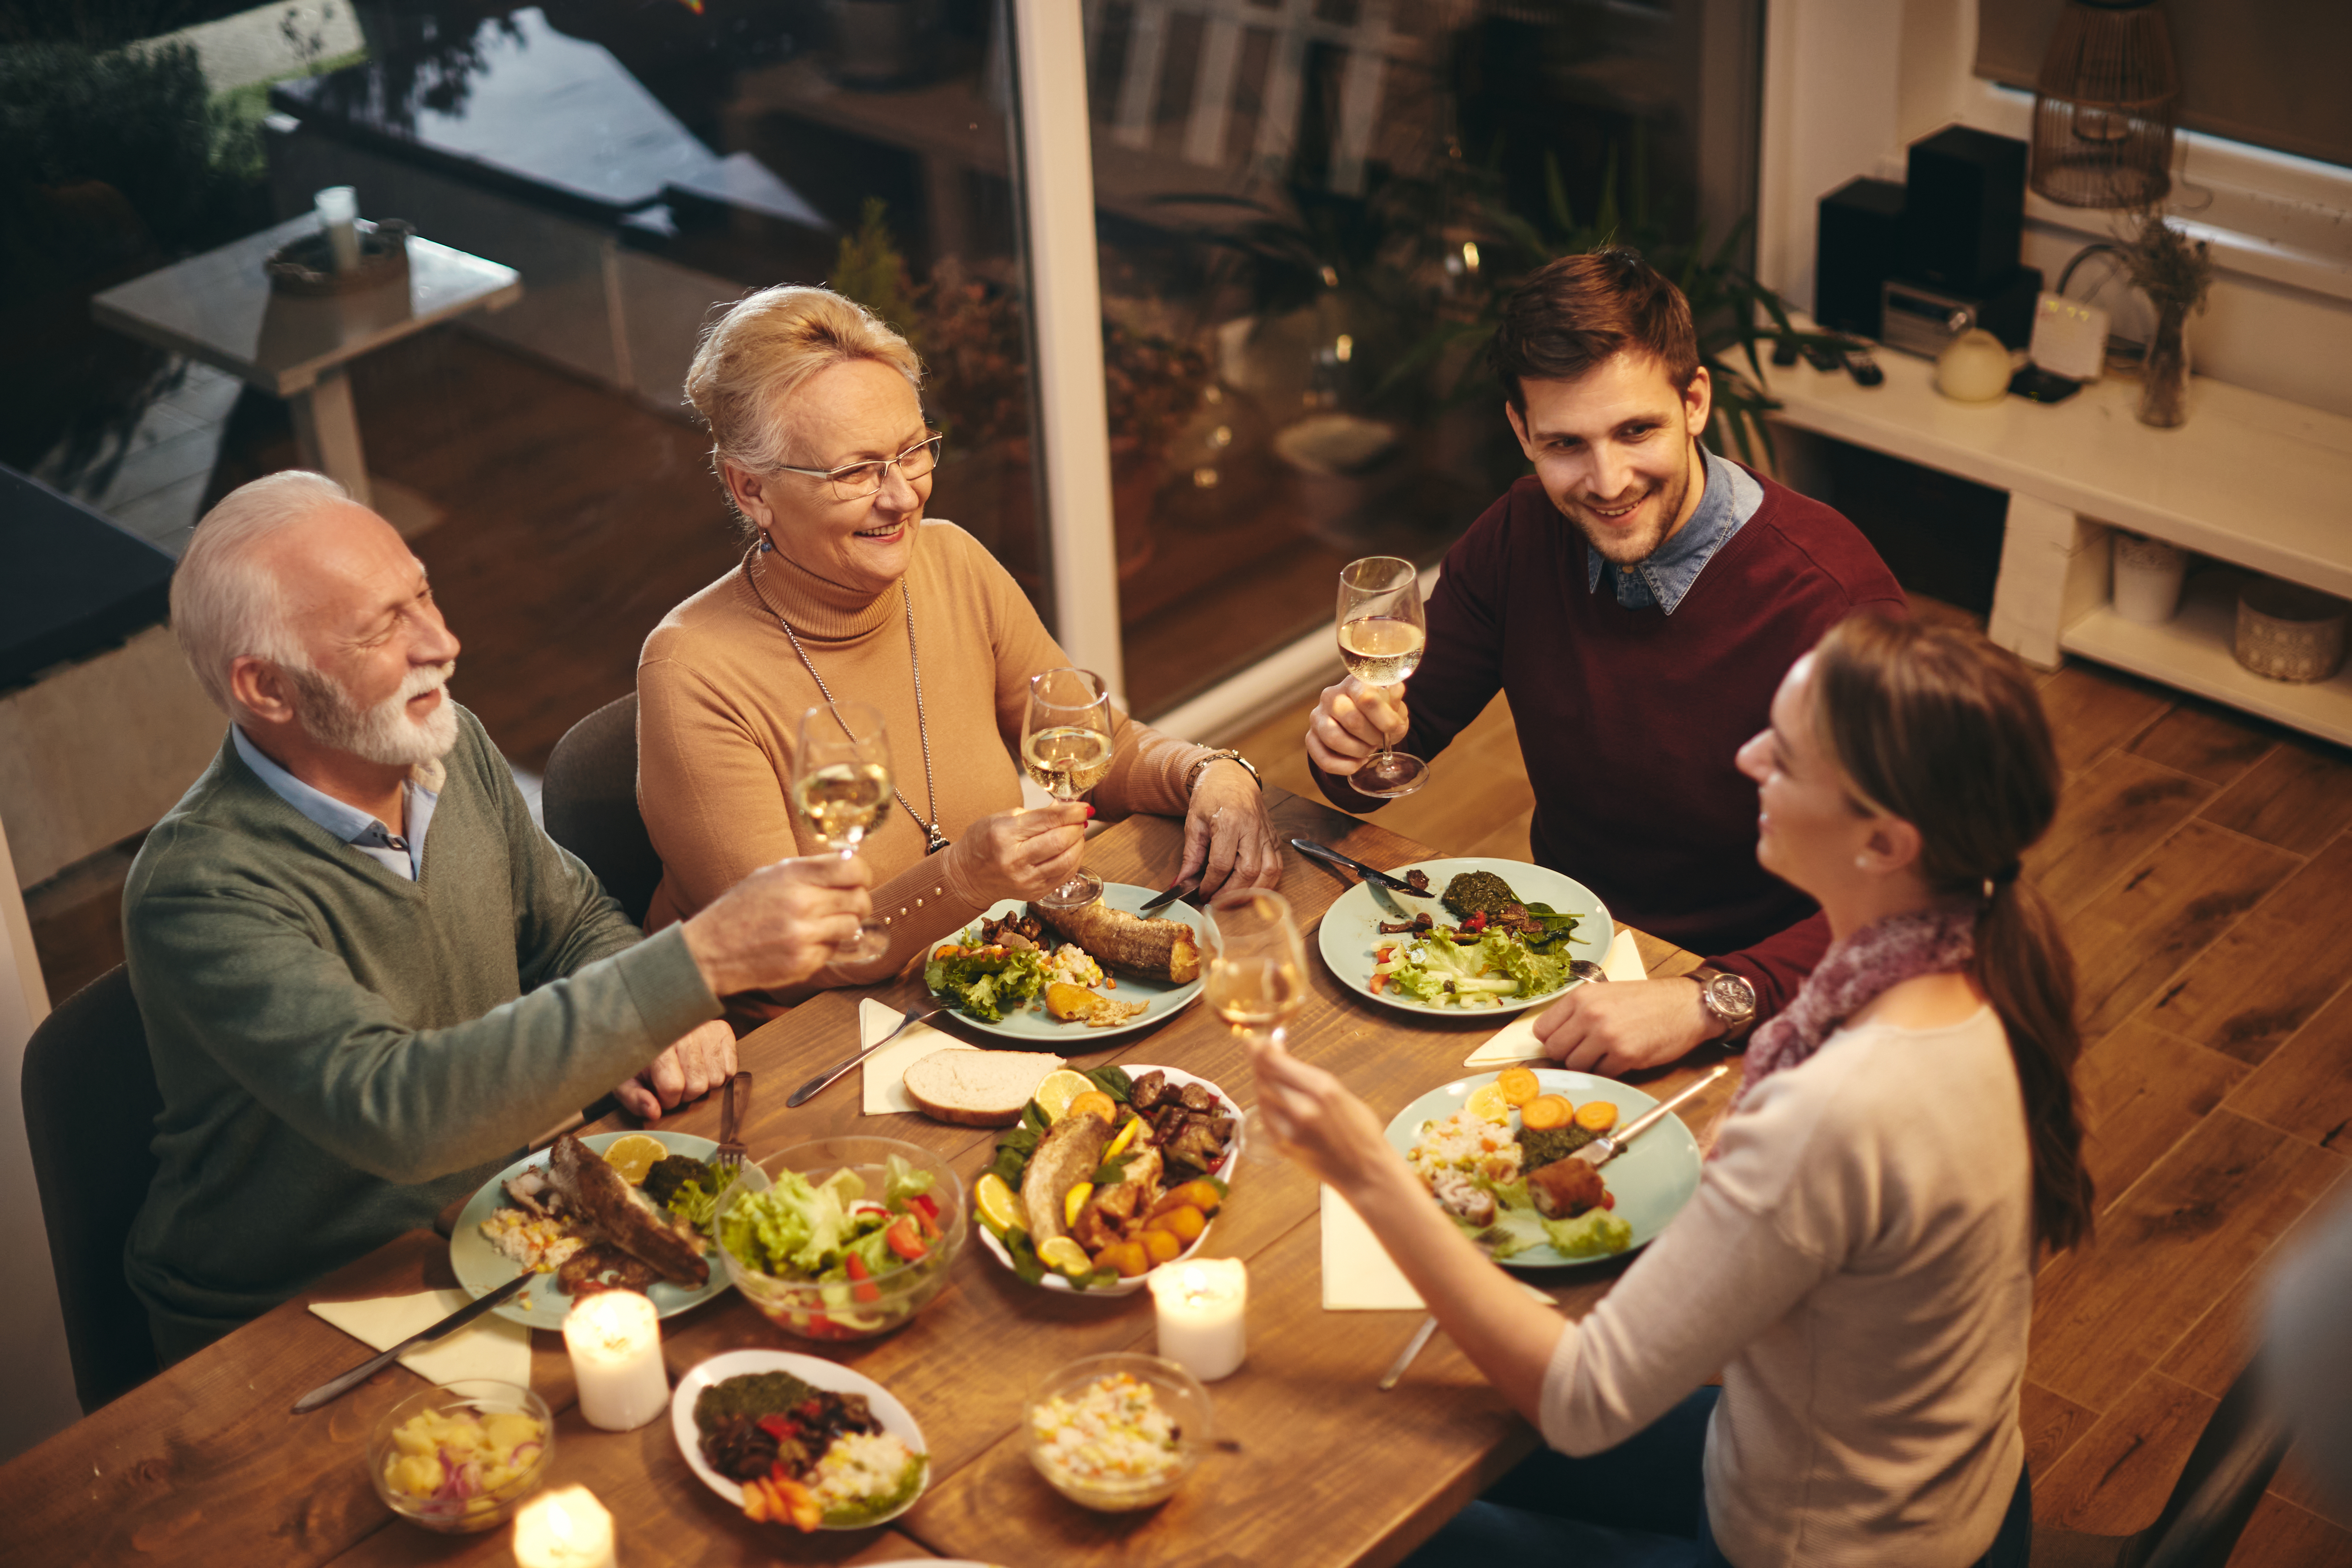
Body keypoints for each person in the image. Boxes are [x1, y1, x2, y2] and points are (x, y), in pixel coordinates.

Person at [1255, 615, 2095, 1567]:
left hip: (1814, 1544)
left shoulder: (1838, 1108)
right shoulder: (1971, 969)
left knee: (1346, 1521)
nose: (1747, 759)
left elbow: (1581, 1402)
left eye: (1787, 754)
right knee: (1402, 1422)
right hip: (1934, 1490)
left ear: (1885, 842)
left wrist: (1369, 1173)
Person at [126, 472, 873, 1360]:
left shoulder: (448, 743)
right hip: (291, 1318)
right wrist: (693, 965)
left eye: (423, 594)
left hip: (494, 1233)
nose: (442, 642)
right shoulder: (200, 887)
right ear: (267, 689)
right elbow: (399, 1111)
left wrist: (639, 1023)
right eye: (381, 628)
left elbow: (571, 924)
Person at [1306, 249, 1906, 1075]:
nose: (1608, 481)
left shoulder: (1832, 601)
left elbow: (1915, 894)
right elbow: (1384, 757)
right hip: (1560, 956)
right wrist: (1347, 744)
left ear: (1694, 401)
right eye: (1565, 444)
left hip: (1768, 995)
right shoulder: (1522, 532)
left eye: (1637, 431)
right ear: (1521, 431)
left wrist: (1709, 998)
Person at [636, 285, 1280, 1014]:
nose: (903, 497)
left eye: (913, 452)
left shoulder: (952, 562)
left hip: (982, 990)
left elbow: (1097, 750)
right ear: (750, 488)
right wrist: (964, 879)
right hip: (803, 1048)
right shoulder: (691, 670)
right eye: (856, 471)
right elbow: (783, 959)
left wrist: (1209, 773)